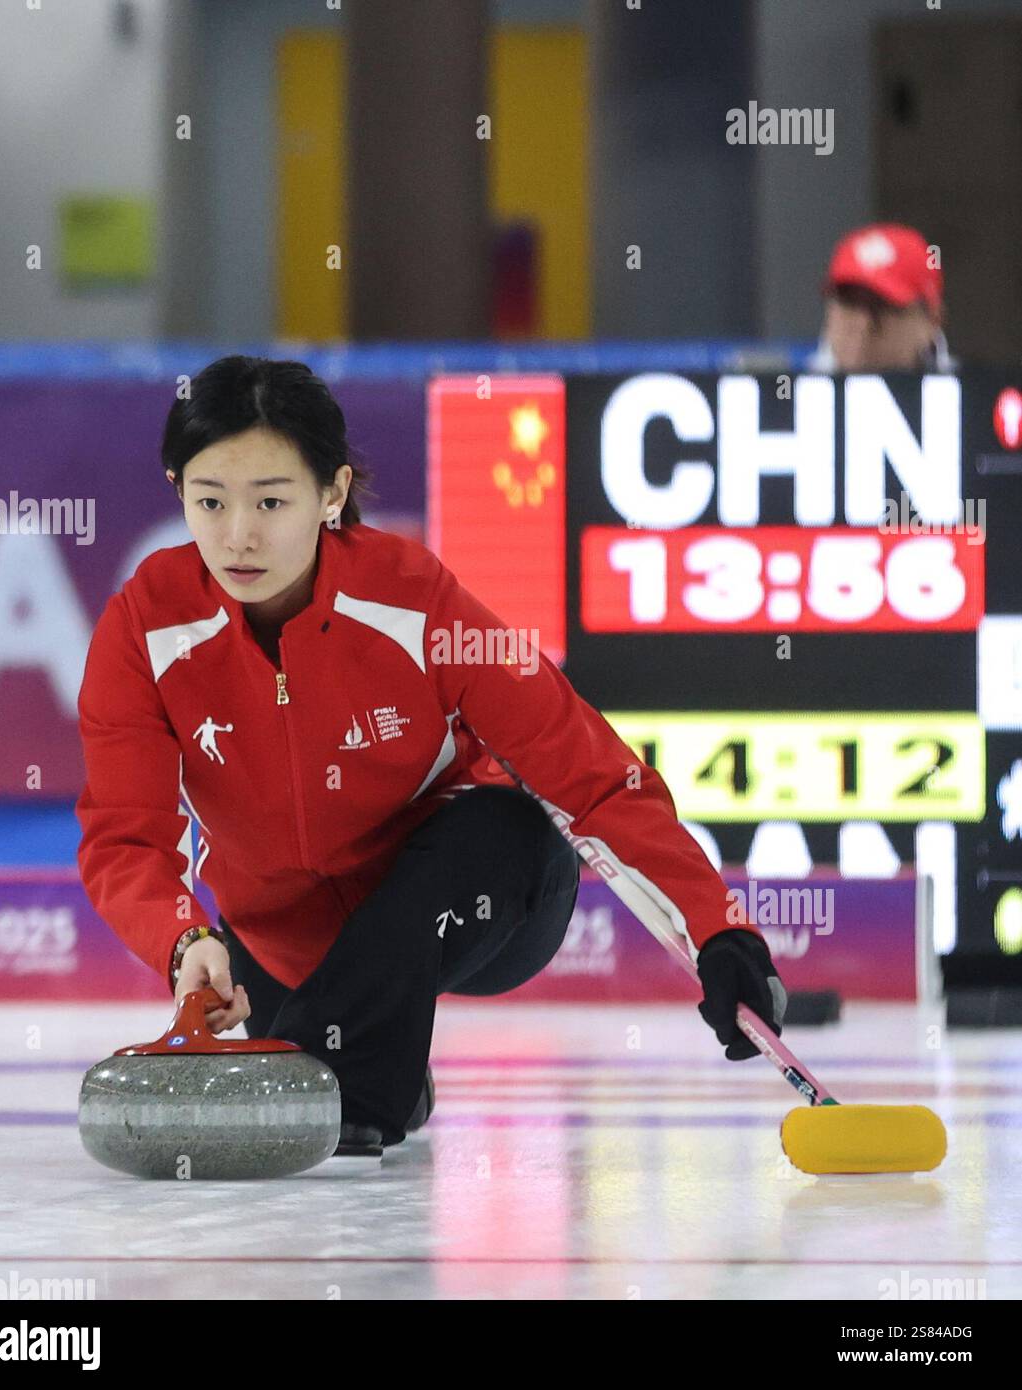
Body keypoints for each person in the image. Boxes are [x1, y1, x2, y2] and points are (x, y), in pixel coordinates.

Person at [75, 356, 786, 1158]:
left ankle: (349, 1072)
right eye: (208, 502)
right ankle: (366, 1063)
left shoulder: (414, 599)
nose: (237, 535)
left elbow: (589, 775)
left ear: (332, 495)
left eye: (271, 501)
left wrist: (717, 933)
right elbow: (125, 838)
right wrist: (182, 941)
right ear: (179, 492)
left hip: (482, 895)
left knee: (501, 826)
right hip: (286, 944)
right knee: (334, 1057)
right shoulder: (145, 626)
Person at [809, 223, 953, 372]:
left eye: (881, 307)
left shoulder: (972, 393)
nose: (862, 325)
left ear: (932, 321)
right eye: (848, 304)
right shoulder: (793, 391)